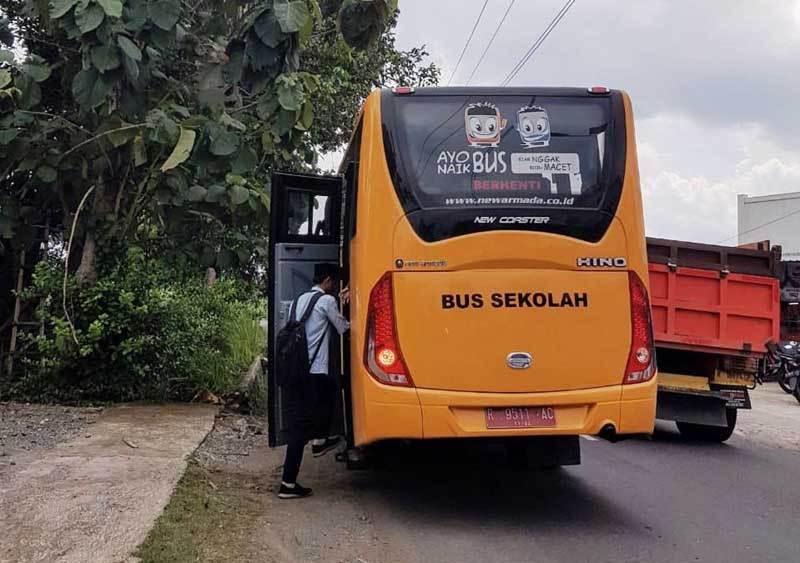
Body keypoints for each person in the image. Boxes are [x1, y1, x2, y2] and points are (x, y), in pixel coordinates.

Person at [279, 263, 350, 499]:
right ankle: (288, 482)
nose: (335, 287)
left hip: (297, 370)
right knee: (331, 395)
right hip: (315, 370)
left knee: (304, 418)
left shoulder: (300, 300)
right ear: (328, 281)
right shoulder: (327, 301)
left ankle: (319, 441)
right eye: (334, 283)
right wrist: (350, 308)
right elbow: (343, 328)